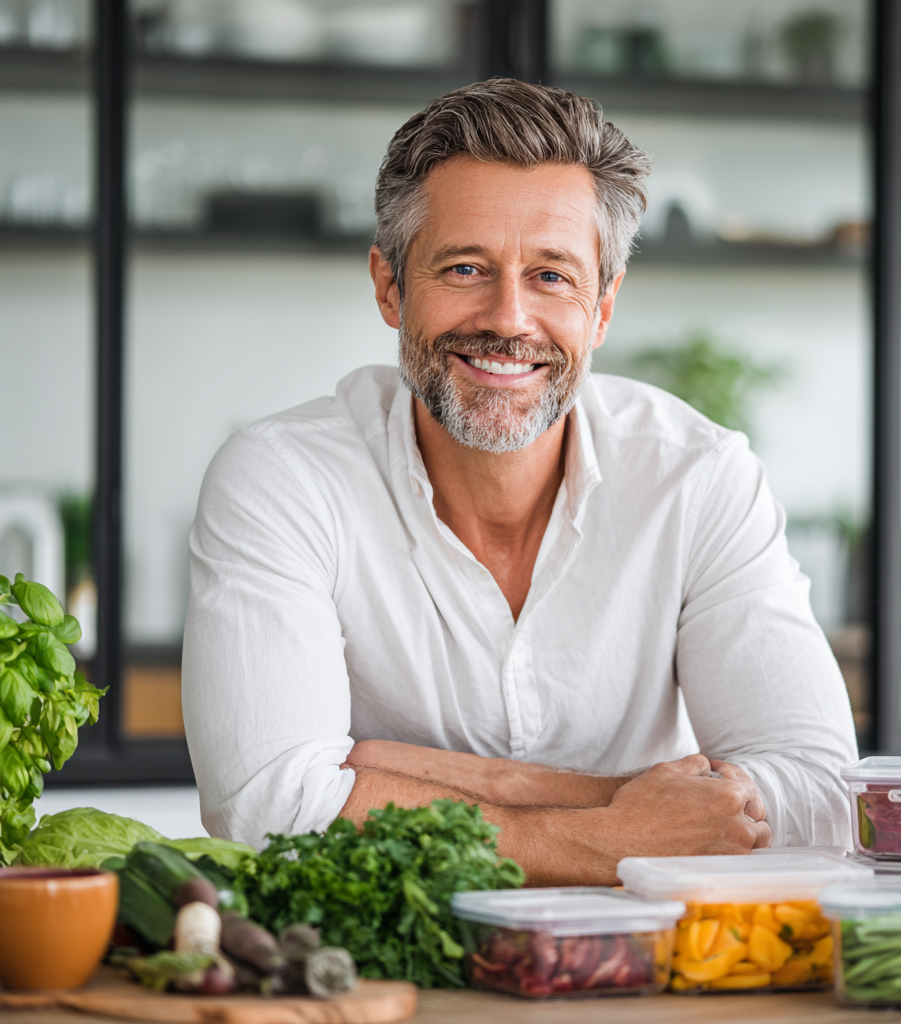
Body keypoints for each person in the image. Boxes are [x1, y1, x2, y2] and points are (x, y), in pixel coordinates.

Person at [182, 79, 858, 884]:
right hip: (376, 960)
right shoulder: (283, 478)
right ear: (390, 287)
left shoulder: (700, 479)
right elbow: (267, 809)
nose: (508, 318)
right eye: (465, 268)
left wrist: (402, 777)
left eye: (551, 276)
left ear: (602, 307)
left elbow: (822, 797)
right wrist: (620, 825)